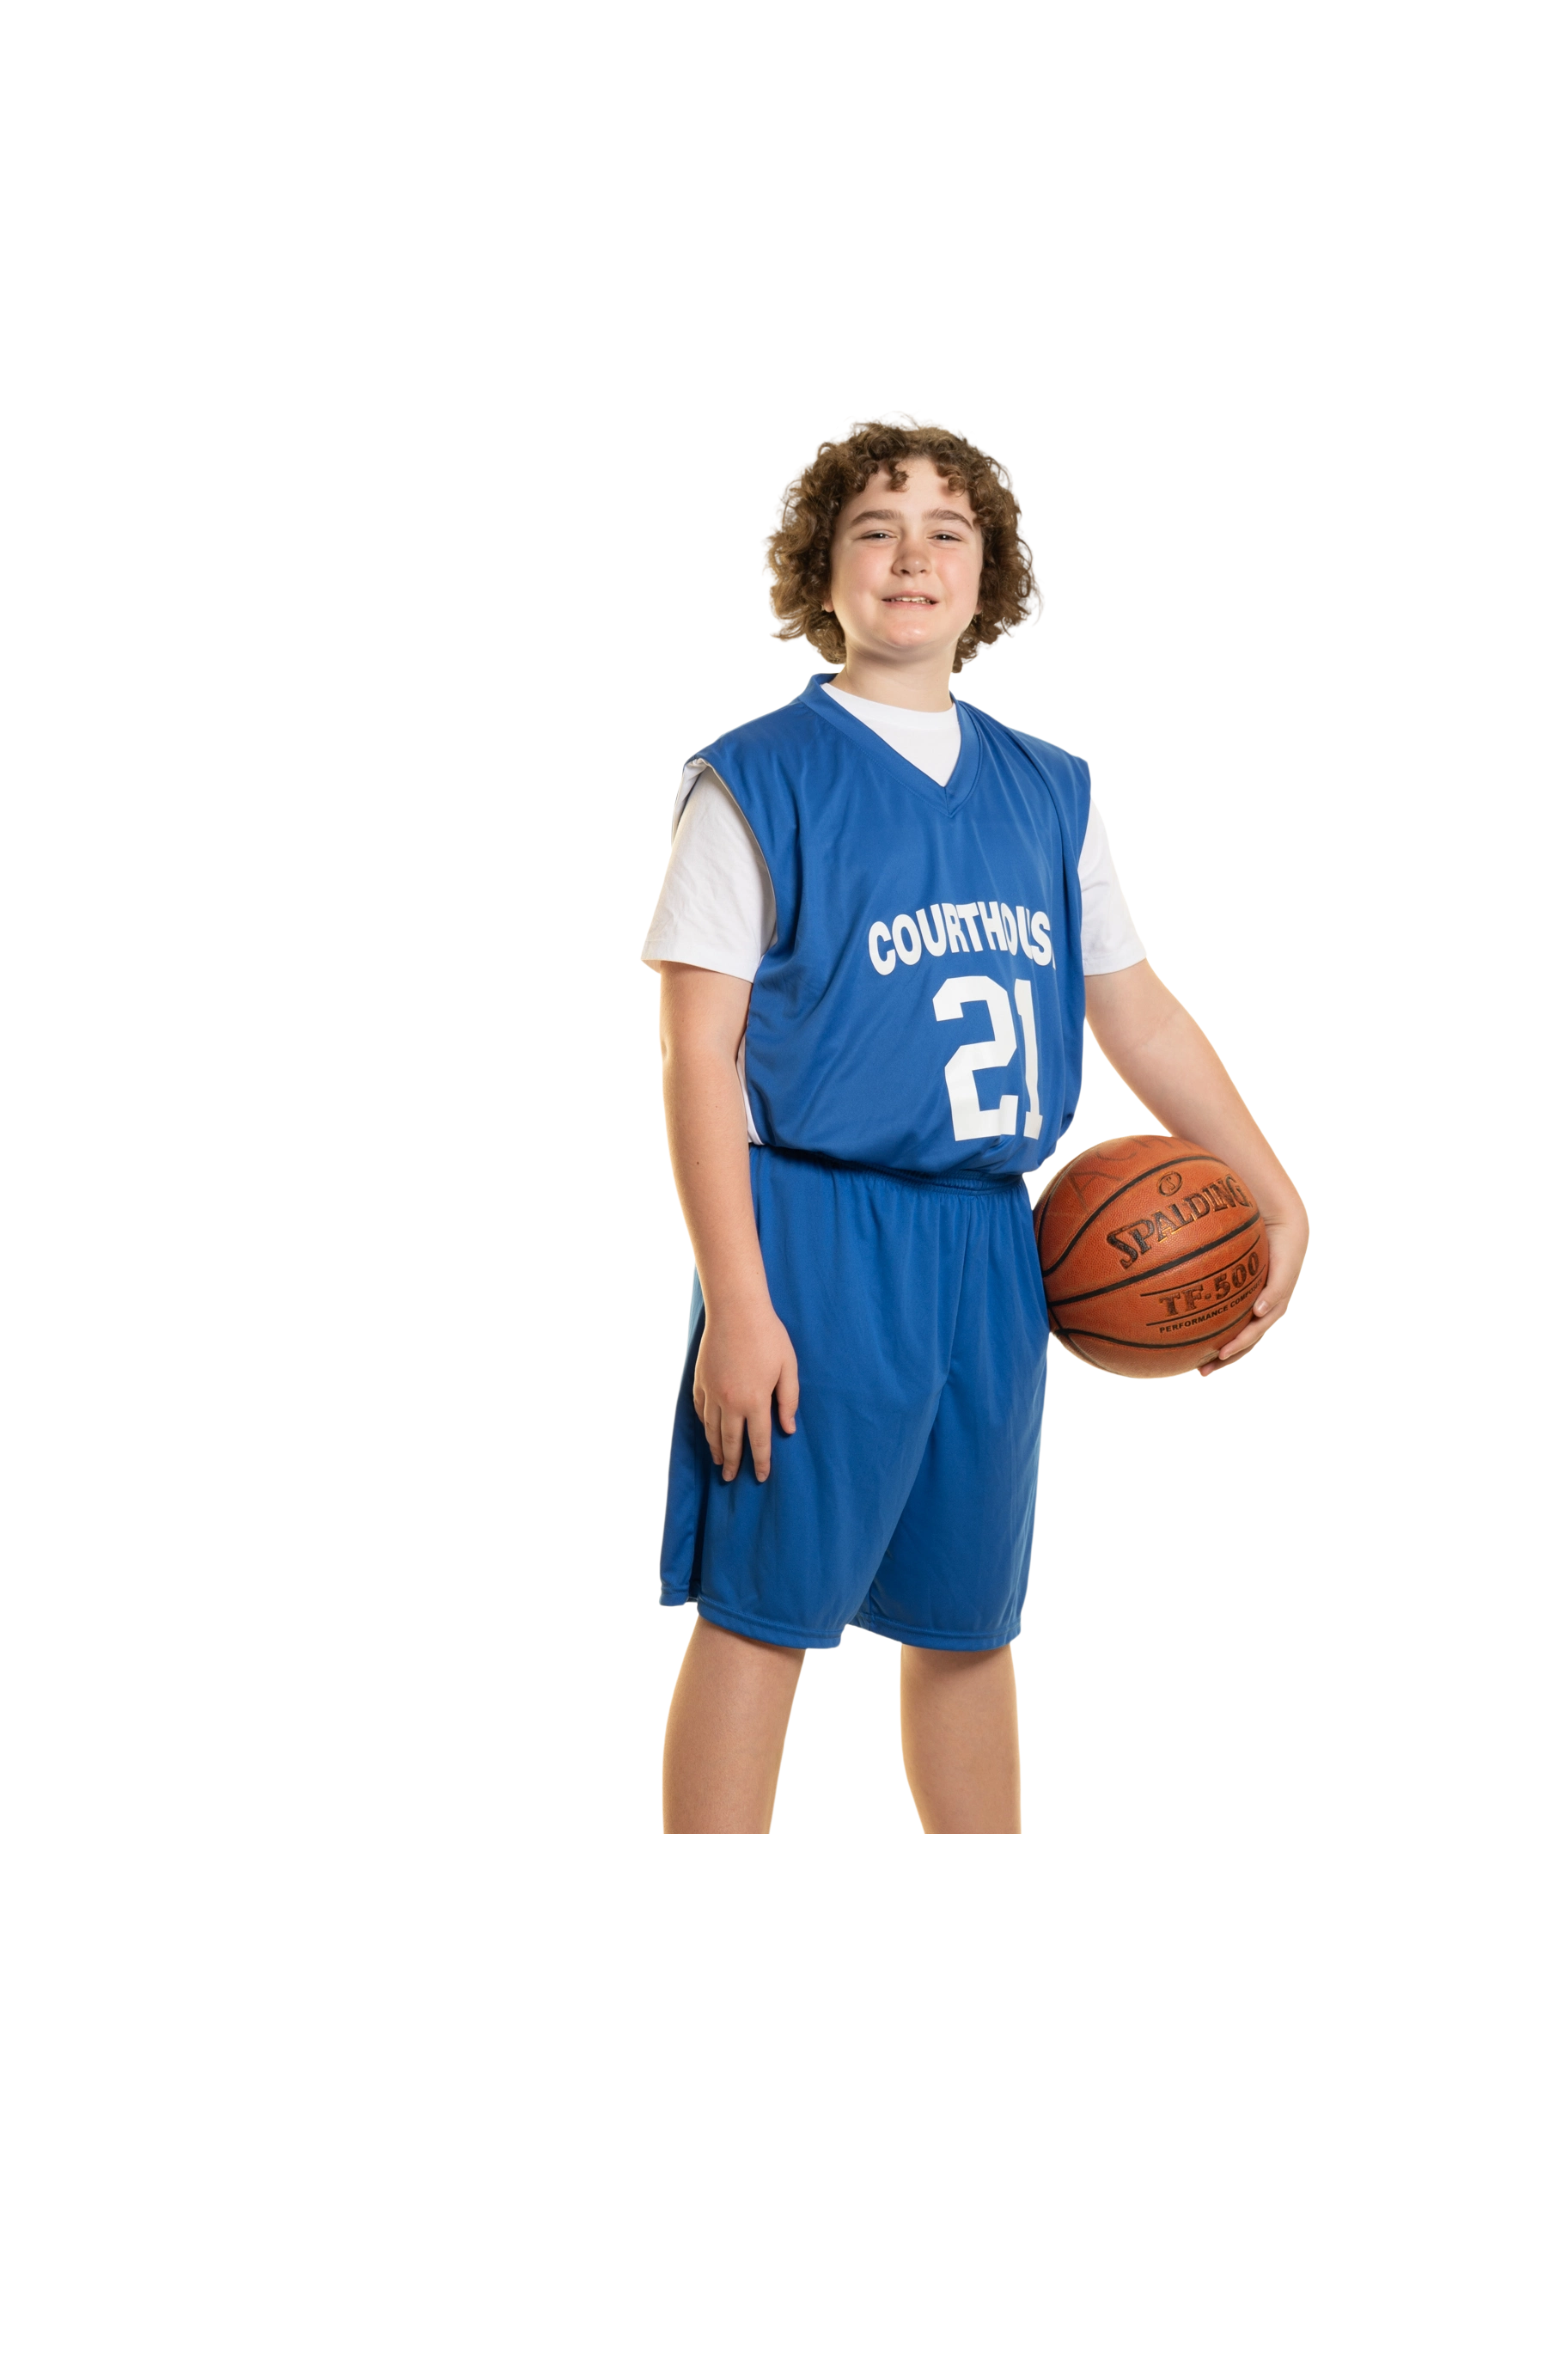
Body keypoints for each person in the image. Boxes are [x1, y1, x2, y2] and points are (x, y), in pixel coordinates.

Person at [641, 411, 1308, 1835]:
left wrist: (1275, 1188)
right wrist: (739, 1304)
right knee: (764, 1608)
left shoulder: (1048, 791)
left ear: (989, 568)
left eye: (946, 530)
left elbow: (1136, 1012)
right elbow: (697, 1055)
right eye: (874, 528)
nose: (911, 557)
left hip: (995, 1246)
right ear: (817, 566)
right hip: (818, 1240)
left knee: (968, 1617)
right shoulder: (755, 779)